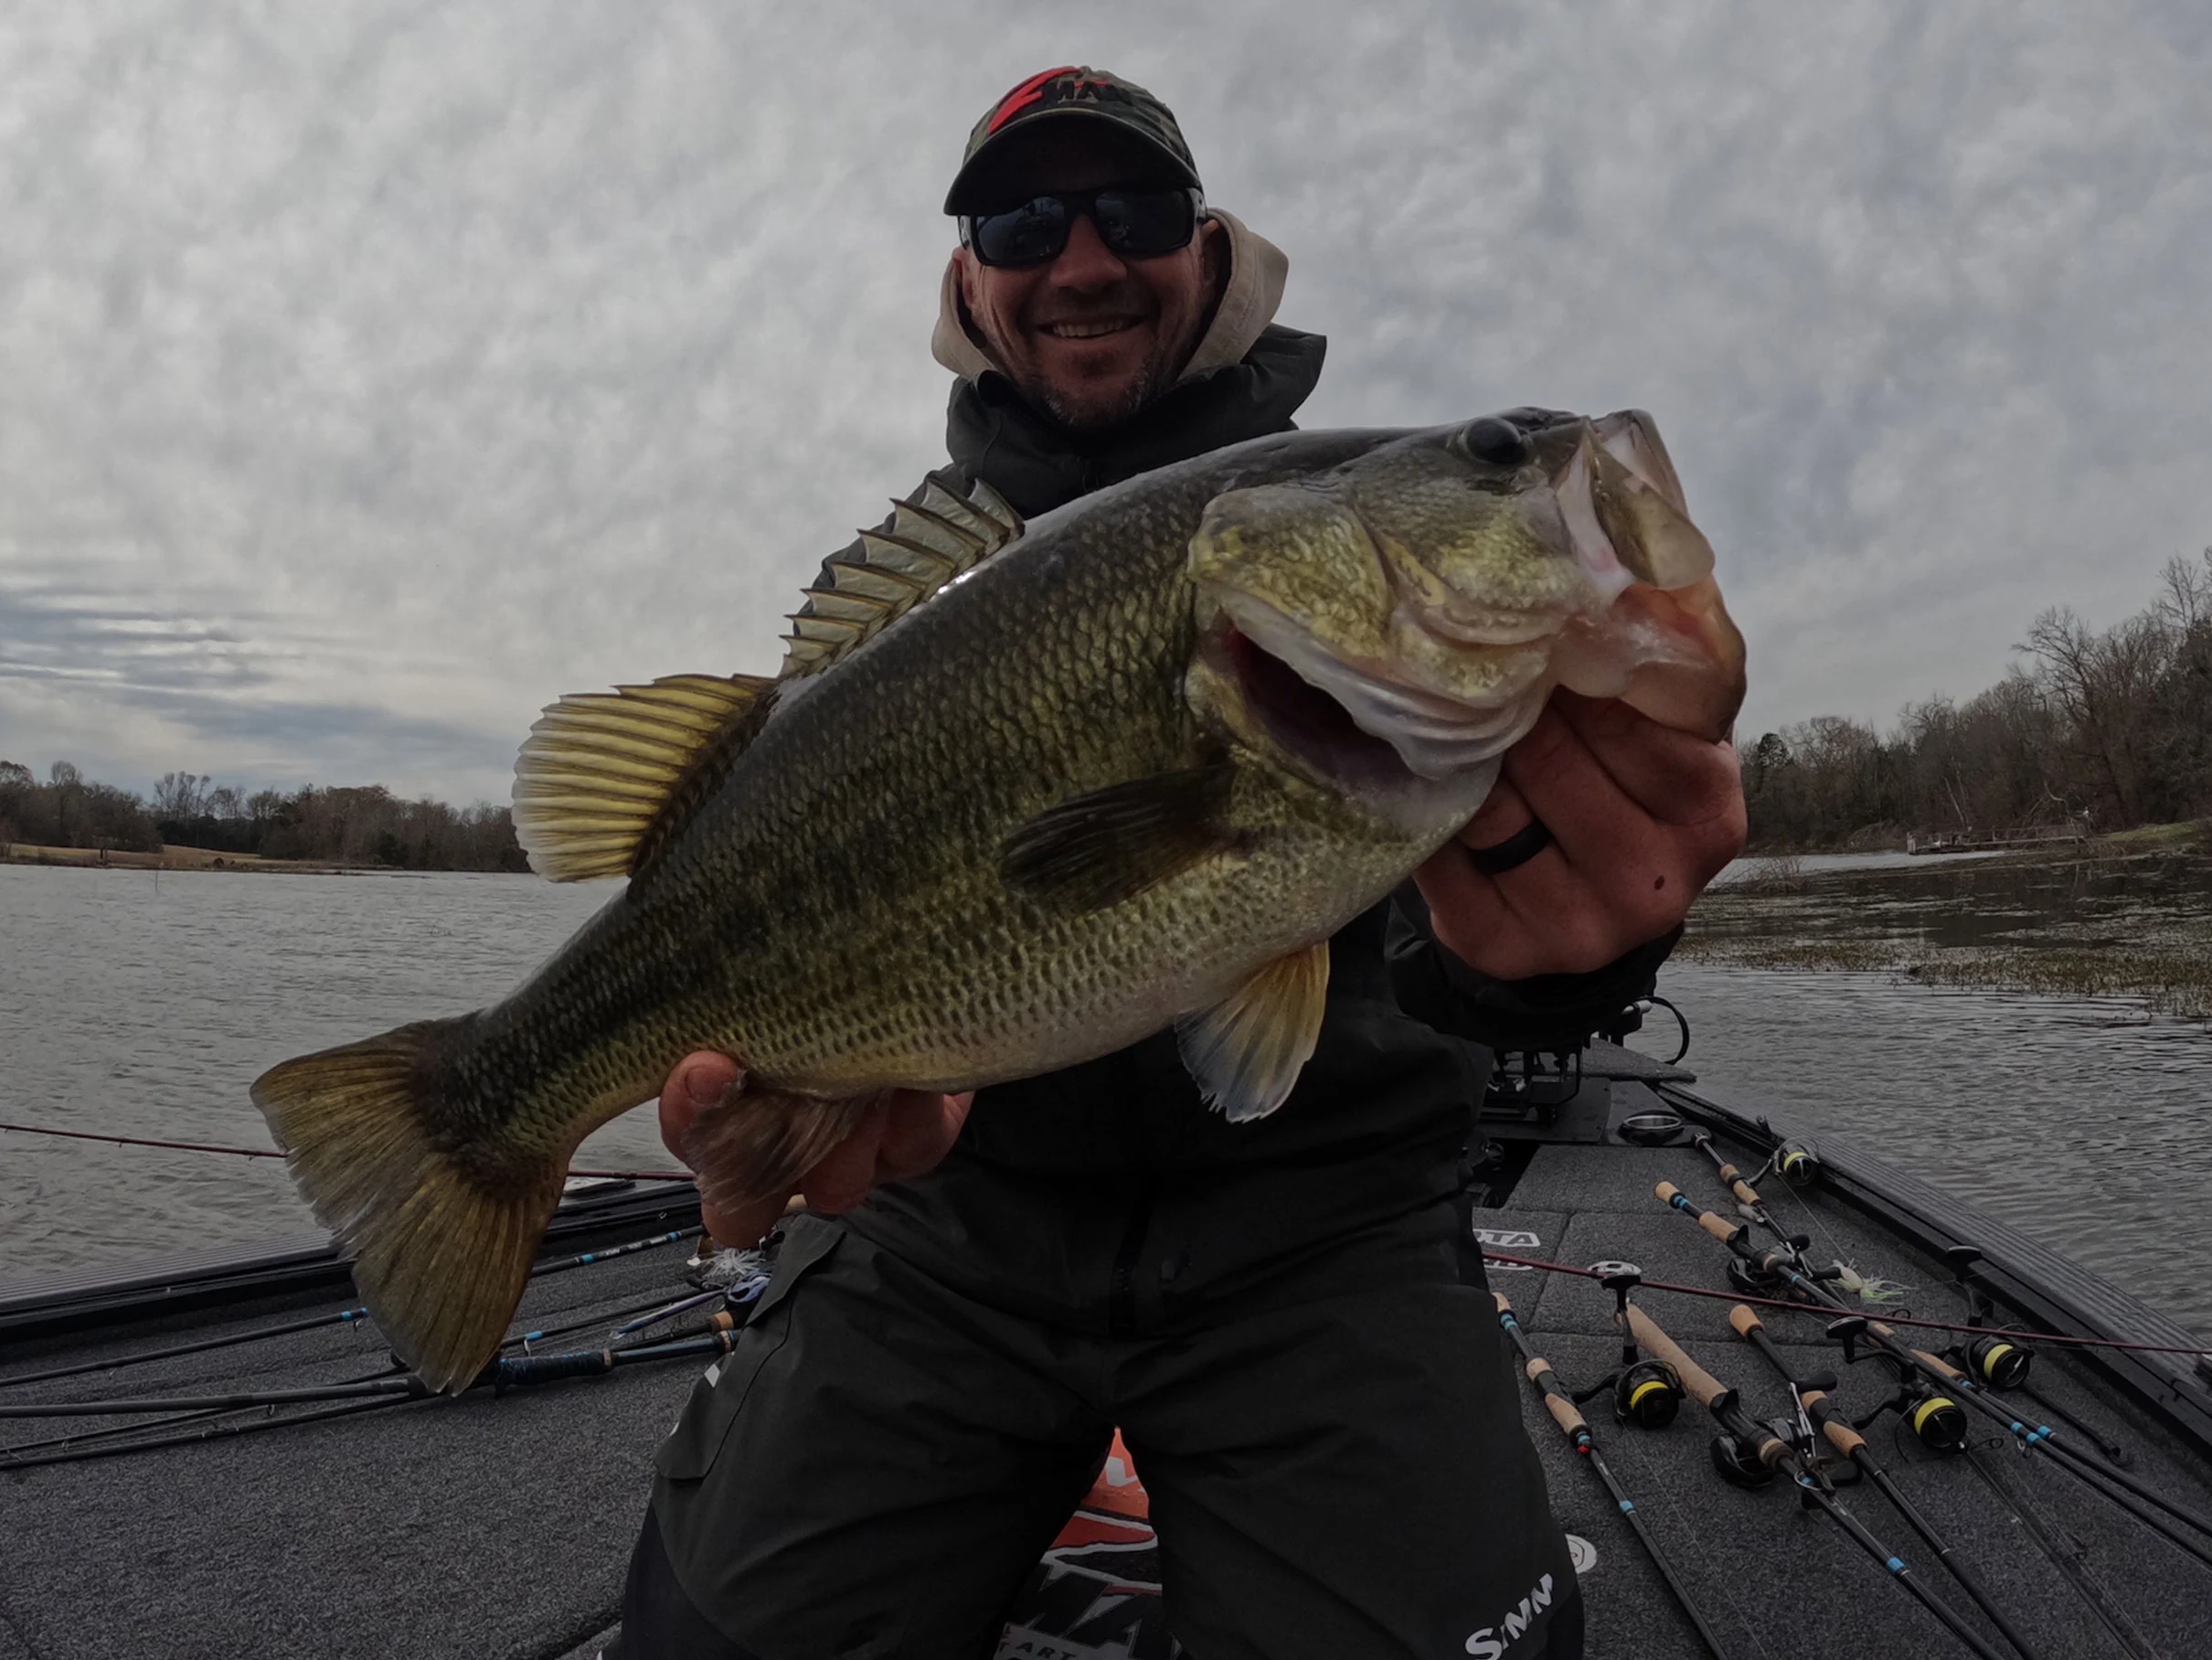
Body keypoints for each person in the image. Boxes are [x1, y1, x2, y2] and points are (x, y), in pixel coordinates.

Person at [617, 67, 1745, 1660]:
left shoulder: (1347, 580)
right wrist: (787, 1099)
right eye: (1019, 218)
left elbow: (1447, 944)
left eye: (1135, 211)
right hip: (944, 1235)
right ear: (968, 284)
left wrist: (1563, 958)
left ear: (1213, 256)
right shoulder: (914, 621)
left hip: (1327, 1229)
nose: (1081, 257)